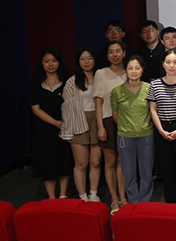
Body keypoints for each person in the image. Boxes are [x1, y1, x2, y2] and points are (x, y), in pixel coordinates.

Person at [148, 50, 176, 205]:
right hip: (161, 127)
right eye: (168, 62)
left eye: (175, 62)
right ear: (163, 64)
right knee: (166, 168)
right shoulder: (155, 84)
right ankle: (171, 201)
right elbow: (153, 110)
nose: (171, 65)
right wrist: (161, 130)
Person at [30, 48, 73, 199]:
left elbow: (73, 106)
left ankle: (62, 195)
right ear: (41, 64)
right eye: (46, 61)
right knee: (47, 162)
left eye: (54, 61)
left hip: (65, 128)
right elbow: (35, 109)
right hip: (44, 129)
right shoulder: (36, 84)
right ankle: (51, 197)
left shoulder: (68, 82)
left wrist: (64, 125)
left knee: (64, 161)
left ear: (59, 62)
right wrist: (56, 123)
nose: (50, 64)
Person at [61, 46, 102, 202]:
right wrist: (67, 131)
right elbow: (66, 109)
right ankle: (83, 197)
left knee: (95, 162)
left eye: (89, 58)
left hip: (97, 120)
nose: (86, 62)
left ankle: (94, 194)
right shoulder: (72, 81)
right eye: (82, 58)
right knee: (81, 163)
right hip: (78, 121)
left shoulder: (101, 77)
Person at [111, 56, 154, 204]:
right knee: (128, 172)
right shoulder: (117, 91)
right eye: (130, 68)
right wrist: (126, 127)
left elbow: (154, 111)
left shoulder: (150, 88)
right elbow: (115, 114)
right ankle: (133, 202)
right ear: (125, 70)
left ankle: (145, 202)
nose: (134, 71)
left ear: (142, 70)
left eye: (137, 68)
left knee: (146, 171)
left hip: (146, 135)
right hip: (125, 136)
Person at [93, 40, 128, 214]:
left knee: (122, 161)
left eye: (118, 51)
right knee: (110, 161)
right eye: (111, 52)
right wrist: (100, 126)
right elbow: (98, 102)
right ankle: (114, 199)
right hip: (107, 120)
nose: (115, 55)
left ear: (124, 53)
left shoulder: (130, 72)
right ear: (107, 55)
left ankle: (123, 197)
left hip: (127, 121)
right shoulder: (101, 73)